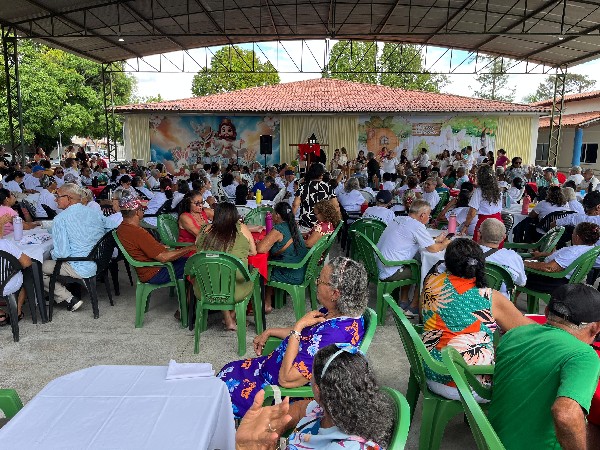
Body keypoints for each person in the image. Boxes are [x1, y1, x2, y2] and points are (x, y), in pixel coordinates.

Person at [219, 256, 368, 418]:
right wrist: (271, 331)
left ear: (335, 293)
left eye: (320, 281)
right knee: (226, 372)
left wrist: (298, 327)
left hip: (274, 392)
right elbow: (306, 334)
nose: (316, 283)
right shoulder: (336, 312)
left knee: (220, 396)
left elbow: (286, 379)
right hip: (263, 371)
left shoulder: (334, 337)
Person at [488, 284, 600, 450]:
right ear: (596, 327)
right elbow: (565, 415)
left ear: (546, 312)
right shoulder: (583, 355)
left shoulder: (514, 334)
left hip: (493, 438)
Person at [422, 238, 531, 401]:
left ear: (447, 263)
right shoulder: (489, 297)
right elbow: (528, 331)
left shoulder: (432, 282)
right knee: (526, 367)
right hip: (465, 383)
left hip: (432, 371)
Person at [235, 343, 395, 450]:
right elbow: (300, 409)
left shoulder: (345, 447)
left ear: (318, 391)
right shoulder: (333, 410)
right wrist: (274, 428)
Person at [116, 197, 191, 315]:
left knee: (188, 260)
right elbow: (164, 258)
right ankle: (187, 308)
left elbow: (145, 247)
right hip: (156, 272)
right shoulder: (137, 232)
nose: (143, 211)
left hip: (148, 268)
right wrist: (190, 248)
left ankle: (189, 303)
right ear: (137, 212)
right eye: (142, 209)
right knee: (195, 264)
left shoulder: (122, 228)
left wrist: (160, 246)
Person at [377, 200, 451, 317]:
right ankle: (414, 307)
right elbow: (433, 249)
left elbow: (414, 239)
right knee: (425, 270)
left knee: (414, 261)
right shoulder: (417, 226)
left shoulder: (399, 219)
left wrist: (435, 240)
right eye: (429, 215)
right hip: (390, 270)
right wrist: (446, 243)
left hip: (380, 265)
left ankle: (403, 300)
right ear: (422, 215)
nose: (429, 218)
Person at [42, 183, 109, 312]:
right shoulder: (93, 213)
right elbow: (111, 226)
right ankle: (58, 294)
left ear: (68, 198)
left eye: (58, 196)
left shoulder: (60, 219)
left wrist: (52, 253)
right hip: (99, 261)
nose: (55, 200)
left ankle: (68, 298)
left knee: (36, 267)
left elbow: (62, 254)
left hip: (79, 266)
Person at [195, 202, 256, 330]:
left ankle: (229, 320)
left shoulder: (205, 229)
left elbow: (197, 246)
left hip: (205, 288)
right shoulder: (242, 228)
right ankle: (232, 316)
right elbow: (253, 252)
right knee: (251, 277)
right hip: (236, 289)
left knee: (217, 274)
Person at [257, 202, 308, 313]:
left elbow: (260, 249)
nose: (272, 215)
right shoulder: (293, 225)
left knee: (259, 272)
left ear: (278, 215)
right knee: (271, 263)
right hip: (301, 270)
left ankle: (265, 303)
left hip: (292, 274)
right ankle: (270, 300)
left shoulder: (279, 229)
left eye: (273, 213)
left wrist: (257, 243)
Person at [524, 222, 600, 294]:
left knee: (519, 273)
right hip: (567, 281)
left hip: (553, 282)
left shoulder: (573, 252)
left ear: (577, 237)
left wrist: (523, 263)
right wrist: (542, 254)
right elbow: (563, 257)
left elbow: (550, 268)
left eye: (573, 233)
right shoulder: (590, 249)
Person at [478, 218, 526, 295]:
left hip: (470, 299)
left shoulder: (468, 253)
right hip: (500, 300)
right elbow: (521, 282)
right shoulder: (513, 257)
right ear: (504, 237)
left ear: (479, 234)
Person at [293, 163, 340, 234]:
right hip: (323, 226)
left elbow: (295, 205)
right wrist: (337, 222)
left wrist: (290, 220)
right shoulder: (328, 187)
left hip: (306, 225)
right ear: (322, 174)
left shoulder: (303, 187)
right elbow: (336, 206)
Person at [460, 165, 502, 242]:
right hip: (498, 222)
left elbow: (472, 213)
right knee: (495, 246)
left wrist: (465, 226)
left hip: (484, 223)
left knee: (481, 246)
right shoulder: (498, 190)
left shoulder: (479, 191)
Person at [0, 235, 32, 325]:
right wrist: (15, 265)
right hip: (7, 285)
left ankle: (1, 314)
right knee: (24, 279)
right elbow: (27, 262)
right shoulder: (4, 243)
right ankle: (17, 312)